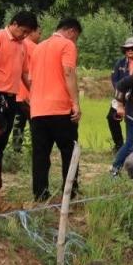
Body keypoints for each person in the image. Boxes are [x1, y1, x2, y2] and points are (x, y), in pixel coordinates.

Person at [29, 17, 82, 202]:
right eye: (76, 37)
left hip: (37, 110)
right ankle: (71, 192)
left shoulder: (38, 48)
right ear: (72, 32)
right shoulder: (67, 45)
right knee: (69, 151)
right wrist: (75, 103)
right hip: (60, 109)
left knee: (40, 155)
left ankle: (40, 194)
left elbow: (30, 79)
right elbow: (68, 72)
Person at [0, 10, 37, 172]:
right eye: (23, 31)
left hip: (11, 97)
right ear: (14, 24)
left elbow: (24, 73)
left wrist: (34, 94)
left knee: (3, 139)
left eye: (28, 33)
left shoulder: (23, 45)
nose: (24, 35)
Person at [107, 37, 133, 152]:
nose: (129, 50)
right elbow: (115, 80)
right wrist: (121, 97)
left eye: (132, 48)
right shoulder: (120, 63)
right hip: (120, 97)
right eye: (127, 49)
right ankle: (119, 145)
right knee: (111, 118)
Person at [10, 25, 41, 155]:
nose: (40, 36)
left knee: (18, 124)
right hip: (28, 92)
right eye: (39, 33)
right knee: (35, 124)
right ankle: (37, 149)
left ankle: (16, 149)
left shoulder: (20, 45)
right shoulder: (34, 48)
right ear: (32, 32)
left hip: (17, 92)